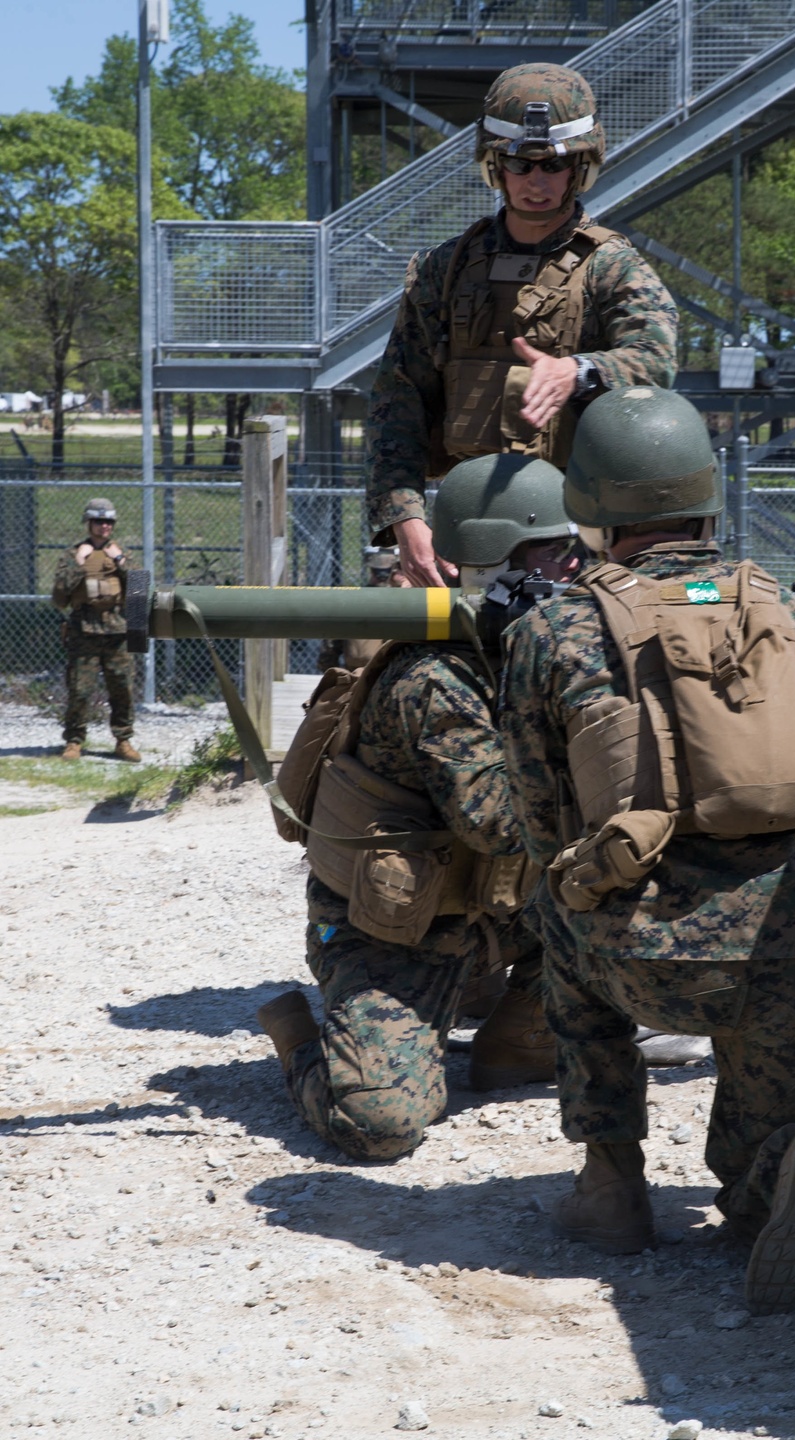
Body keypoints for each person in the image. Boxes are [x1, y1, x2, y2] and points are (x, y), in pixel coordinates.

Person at [500, 386, 795, 1315]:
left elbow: (539, 824)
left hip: (642, 960)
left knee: (560, 914)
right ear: (708, 496)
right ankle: (775, 1189)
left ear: (588, 508)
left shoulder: (551, 630)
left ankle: (611, 1185)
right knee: (790, 1091)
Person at [257, 454, 581, 1160]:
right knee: (379, 1124)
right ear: (494, 562)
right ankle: (300, 1038)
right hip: (398, 932)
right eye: (554, 551)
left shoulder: (528, 647)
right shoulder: (435, 679)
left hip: (492, 909)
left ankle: (518, 1039)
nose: (574, 568)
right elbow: (500, 824)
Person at [365, 61, 679, 587]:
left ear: (580, 167)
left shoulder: (610, 266)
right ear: (495, 164)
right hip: (468, 532)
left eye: (554, 165)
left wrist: (578, 372)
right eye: (519, 163)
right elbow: (399, 401)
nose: (537, 181)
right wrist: (406, 519)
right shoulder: (444, 271)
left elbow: (656, 358)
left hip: (579, 538)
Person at [51, 497, 141, 763]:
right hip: (84, 632)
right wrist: (80, 563)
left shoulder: (122, 553)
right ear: (89, 523)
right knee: (79, 689)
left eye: (109, 522)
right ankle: (74, 741)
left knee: (122, 688)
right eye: (99, 521)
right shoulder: (73, 555)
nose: (105, 526)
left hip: (117, 632)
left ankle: (123, 740)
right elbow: (59, 597)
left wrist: (120, 561)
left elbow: (139, 589)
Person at [317, 545, 410, 674]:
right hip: (391, 675)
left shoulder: (351, 600)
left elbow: (328, 652)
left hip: (357, 675)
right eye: (400, 567)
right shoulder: (405, 603)